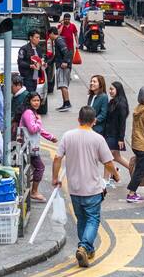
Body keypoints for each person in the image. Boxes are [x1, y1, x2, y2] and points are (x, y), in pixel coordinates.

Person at [52, 106, 121, 267]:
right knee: (93, 219)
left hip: (74, 188)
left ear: (78, 119)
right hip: (92, 188)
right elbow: (108, 163)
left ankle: (87, 250)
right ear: (94, 121)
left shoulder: (68, 136)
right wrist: (116, 176)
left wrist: (55, 178)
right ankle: (84, 246)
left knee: (81, 219)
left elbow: (57, 158)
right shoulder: (98, 139)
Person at [19, 94, 57, 201]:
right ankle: (34, 192)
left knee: (30, 169)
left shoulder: (32, 113)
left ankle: (28, 189)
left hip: (30, 147)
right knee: (39, 167)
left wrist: (50, 137)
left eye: (38, 100)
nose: (37, 102)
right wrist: (39, 120)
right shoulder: (28, 113)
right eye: (34, 100)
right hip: (27, 147)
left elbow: (39, 130)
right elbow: (33, 129)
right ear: (29, 101)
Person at [102, 81, 131, 176]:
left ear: (118, 90)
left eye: (112, 89)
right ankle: (136, 172)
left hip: (114, 135)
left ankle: (105, 180)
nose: (110, 91)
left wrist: (121, 138)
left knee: (107, 158)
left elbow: (122, 123)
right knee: (117, 157)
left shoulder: (121, 104)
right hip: (109, 133)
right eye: (109, 89)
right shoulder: (112, 102)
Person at [52, 33, 74, 110]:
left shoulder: (59, 41)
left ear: (52, 33)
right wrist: (49, 62)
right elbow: (57, 56)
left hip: (63, 67)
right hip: (61, 65)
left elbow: (66, 52)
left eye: (49, 35)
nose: (49, 37)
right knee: (62, 85)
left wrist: (65, 62)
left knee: (63, 85)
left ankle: (67, 103)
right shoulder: (58, 40)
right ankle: (65, 103)